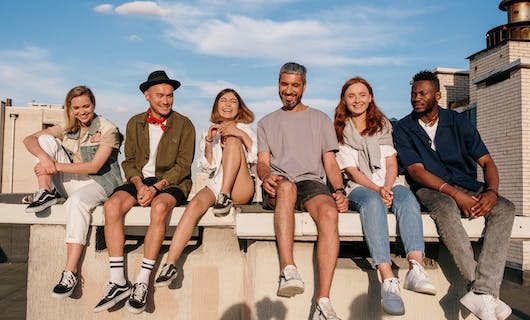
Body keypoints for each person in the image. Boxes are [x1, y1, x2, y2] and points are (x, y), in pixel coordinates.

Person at [393, 70, 515, 320]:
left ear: (437, 95)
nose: (417, 98)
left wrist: (491, 192)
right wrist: (456, 195)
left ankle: (484, 291)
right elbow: (416, 171)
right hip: (429, 188)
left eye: (423, 93)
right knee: (446, 207)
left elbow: (487, 162)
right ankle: (480, 289)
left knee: (505, 208)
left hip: (464, 182)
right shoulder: (403, 128)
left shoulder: (458, 122)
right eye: (413, 93)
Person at [93, 70, 195, 314]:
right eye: (160, 95)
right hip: (141, 180)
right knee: (111, 206)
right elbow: (129, 162)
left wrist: (156, 187)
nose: (166, 100)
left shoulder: (185, 124)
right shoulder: (134, 122)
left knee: (159, 207)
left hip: (173, 182)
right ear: (147, 96)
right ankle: (118, 281)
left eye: (170, 95)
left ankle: (142, 280)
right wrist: (139, 185)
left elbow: (183, 166)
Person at [333, 77, 435, 316]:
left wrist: (388, 187)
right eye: (351, 96)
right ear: (344, 101)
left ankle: (415, 266)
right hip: (359, 186)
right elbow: (352, 171)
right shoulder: (340, 130)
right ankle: (387, 280)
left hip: (386, 181)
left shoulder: (383, 125)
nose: (357, 100)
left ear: (370, 98)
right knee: (372, 204)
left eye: (362, 94)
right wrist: (378, 191)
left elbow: (391, 163)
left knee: (408, 199)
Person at [257, 62, 348, 320]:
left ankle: (323, 302)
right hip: (280, 181)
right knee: (286, 188)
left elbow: (329, 161)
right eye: (284, 84)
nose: (289, 90)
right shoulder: (266, 122)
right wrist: (265, 177)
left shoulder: (320, 119)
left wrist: (339, 189)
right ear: (278, 85)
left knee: (330, 214)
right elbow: (263, 162)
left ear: (304, 87)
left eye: (295, 85)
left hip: (310, 181)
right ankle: (288, 269)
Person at [23, 85, 122, 298]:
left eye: (86, 106)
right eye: (76, 107)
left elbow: (94, 167)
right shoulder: (68, 128)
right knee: (44, 141)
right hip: (74, 180)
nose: (82, 111)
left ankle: (70, 272)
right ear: (70, 108)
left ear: (93, 104)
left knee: (76, 202)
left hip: (100, 184)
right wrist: (46, 158)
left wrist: (54, 167)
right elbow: (28, 139)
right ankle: (45, 192)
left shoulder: (108, 129)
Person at [154, 88, 256, 286]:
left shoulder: (245, 129)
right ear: (217, 106)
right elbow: (208, 166)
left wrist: (239, 134)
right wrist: (210, 141)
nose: (227, 104)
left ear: (239, 107)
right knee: (194, 206)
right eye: (223, 100)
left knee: (234, 142)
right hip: (216, 184)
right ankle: (170, 264)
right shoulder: (209, 132)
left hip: (239, 186)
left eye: (233, 101)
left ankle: (225, 196)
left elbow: (257, 157)